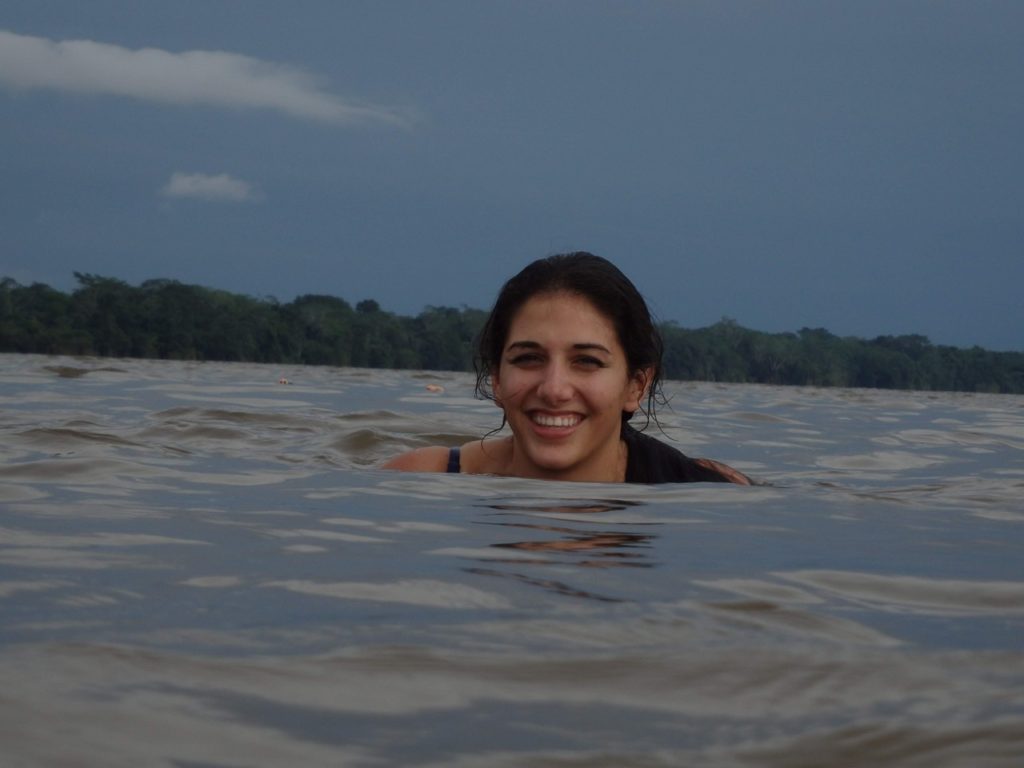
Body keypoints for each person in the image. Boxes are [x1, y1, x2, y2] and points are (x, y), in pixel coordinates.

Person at [383, 252, 750, 485]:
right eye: (528, 358)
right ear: (496, 379)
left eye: (587, 361)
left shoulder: (704, 494)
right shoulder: (418, 480)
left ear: (636, 386)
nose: (554, 389)